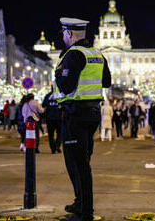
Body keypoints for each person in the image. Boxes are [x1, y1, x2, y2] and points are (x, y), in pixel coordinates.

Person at [54, 17, 111, 221]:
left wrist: (59, 74)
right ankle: (80, 202)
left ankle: (85, 209)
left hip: (75, 114)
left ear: (69, 33)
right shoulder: (97, 54)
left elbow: (66, 86)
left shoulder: (73, 54)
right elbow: (107, 81)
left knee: (77, 164)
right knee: (82, 160)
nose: (62, 36)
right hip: (92, 113)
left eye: (63, 33)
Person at [42, 86, 62, 154]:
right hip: (59, 118)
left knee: (51, 135)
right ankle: (57, 146)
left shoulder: (48, 96)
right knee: (60, 134)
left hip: (50, 118)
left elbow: (43, 105)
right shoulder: (61, 95)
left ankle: (53, 148)